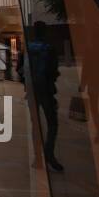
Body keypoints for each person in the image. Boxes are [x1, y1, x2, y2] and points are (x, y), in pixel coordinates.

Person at [19, 20, 64, 173]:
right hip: (46, 91)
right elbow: (54, 72)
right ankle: (49, 152)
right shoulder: (49, 49)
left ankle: (38, 157)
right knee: (52, 123)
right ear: (45, 32)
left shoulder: (28, 49)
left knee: (35, 125)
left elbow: (20, 70)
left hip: (32, 92)